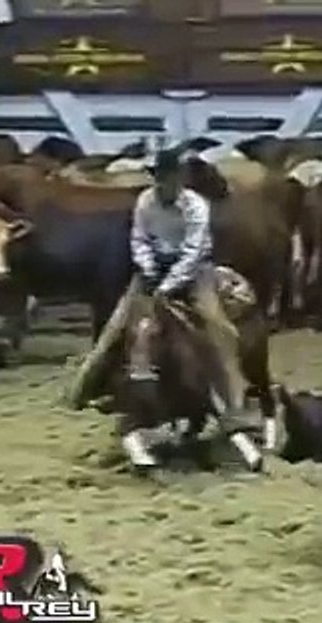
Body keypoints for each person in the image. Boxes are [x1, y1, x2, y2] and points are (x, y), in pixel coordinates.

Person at [124, 149, 253, 434]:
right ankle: (104, 385)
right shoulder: (145, 201)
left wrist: (169, 285)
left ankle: (234, 400)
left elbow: (194, 250)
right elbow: (139, 238)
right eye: (159, 178)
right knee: (121, 323)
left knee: (218, 326)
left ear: (179, 179)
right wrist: (148, 268)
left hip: (194, 271)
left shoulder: (196, 206)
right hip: (154, 267)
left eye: (169, 178)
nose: (164, 184)